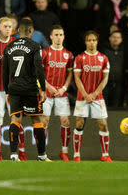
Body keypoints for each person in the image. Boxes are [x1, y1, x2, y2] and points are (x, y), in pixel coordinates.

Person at [2, 18, 50, 162]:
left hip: (14, 88)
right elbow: (39, 69)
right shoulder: (35, 46)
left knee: (15, 119)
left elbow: (5, 72)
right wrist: (43, 89)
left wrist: (7, 92)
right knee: (37, 119)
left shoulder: (9, 47)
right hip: (30, 89)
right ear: (31, 31)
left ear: (18, 31)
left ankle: (13, 154)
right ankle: (42, 155)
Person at [73, 31, 112, 162]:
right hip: (82, 97)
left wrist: (94, 94)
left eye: (94, 40)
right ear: (85, 42)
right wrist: (85, 94)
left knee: (103, 124)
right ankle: (76, 155)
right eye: (89, 40)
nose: (91, 42)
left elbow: (105, 79)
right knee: (79, 123)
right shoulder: (79, 58)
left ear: (97, 41)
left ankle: (105, 155)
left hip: (98, 97)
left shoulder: (103, 58)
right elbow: (77, 78)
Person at [41, 25, 74, 161]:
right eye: (56, 35)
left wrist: (64, 88)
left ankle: (64, 152)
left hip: (62, 93)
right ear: (51, 36)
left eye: (61, 35)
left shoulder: (69, 54)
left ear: (64, 36)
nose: (58, 37)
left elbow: (70, 73)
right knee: (45, 121)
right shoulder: (44, 52)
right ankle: (42, 152)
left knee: (65, 121)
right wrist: (48, 86)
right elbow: (38, 73)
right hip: (46, 93)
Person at [0, 17, 19, 161]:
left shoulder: (16, 43)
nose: (8, 28)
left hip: (13, 89)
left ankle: (18, 152)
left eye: (10, 26)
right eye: (5, 26)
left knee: (16, 120)